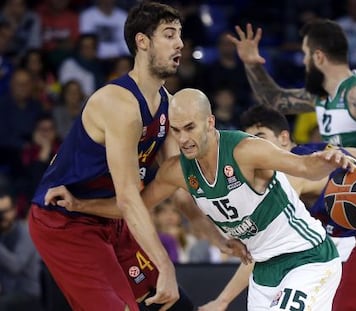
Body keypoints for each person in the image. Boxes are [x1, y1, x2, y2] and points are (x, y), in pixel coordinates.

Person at [46, 88, 356, 311]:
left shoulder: (244, 151)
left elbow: (304, 166)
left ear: (210, 122)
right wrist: (79, 204)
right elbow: (132, 206)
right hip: (263, 268)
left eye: (190, 127)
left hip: (307, 257)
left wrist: (329, 159)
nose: (183, 139)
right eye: (177, 130)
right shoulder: (177, 170)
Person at [28, 3, 249, 311]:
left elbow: (180, 186)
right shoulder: (119, 104)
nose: (180, 44)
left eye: (180, 35)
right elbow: (130, 197)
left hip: (113, 217)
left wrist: (218, 238)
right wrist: (167, 266)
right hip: (66, 221)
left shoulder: (167, 104)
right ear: (142, 42)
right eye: (169, 35)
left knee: (173, 306)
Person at [198, 105, 356, 311]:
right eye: (248, 141)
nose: (253, 147)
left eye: (259, 138)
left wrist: (223, 300)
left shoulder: (290, 175)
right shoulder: (318, 152)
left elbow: (264, 249)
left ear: (283, 138)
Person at [228, 20, 356, 192]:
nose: (303, 61)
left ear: (318, 57)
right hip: (352, 199)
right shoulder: (321, 96)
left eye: (305, 54)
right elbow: (276, 101)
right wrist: (251, 64)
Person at [0, 185, 43, 311]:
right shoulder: (2, 234)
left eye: (5, 211)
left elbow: (16, 266)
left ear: (14, 210)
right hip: (7, 292)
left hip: (28, 293)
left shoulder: (25, 232)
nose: (2, 217)